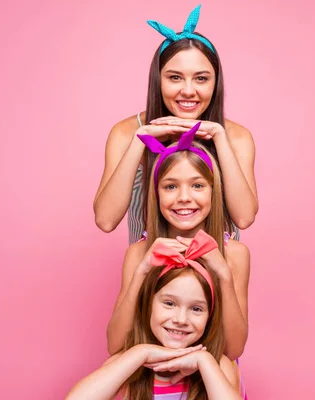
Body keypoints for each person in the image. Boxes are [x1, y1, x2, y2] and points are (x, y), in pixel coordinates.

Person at [93, 5, 258, 244]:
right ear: (157, 80)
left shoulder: (236, 136)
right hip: (152, 273)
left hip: (217, 275)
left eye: (201, 78)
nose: (188, 91)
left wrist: (219, 137)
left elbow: (243, 218)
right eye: (175, 77)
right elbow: (106, 220)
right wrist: (142, 138)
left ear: (215, 82)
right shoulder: (126, 132)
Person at [106, 124, 250, 395]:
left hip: (208, 374)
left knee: (224, 367)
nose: (184, 198)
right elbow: (115, 344)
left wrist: (224, 275)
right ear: (156, 194)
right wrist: (141, 272)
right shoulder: (139, 252)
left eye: (197, 185)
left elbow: (234, 348)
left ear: (213, 190)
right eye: (171, 186)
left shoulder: (235, 254)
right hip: (151, 371)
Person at [66, 231, 242, 399]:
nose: (181, 319)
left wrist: (204, 361)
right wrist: (141, 353)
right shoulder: (129, 362)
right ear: (148, 306)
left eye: (196, 309)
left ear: (209, 316)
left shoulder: (216, 366)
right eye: (169, 303)